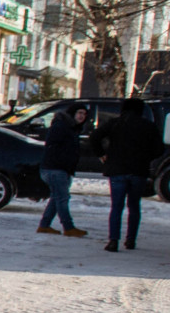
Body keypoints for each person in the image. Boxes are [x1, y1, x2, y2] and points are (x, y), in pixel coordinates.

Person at [87, 98, 158, 252]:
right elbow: (158, 149)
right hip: (138, 170)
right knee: (134, 206)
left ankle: (113, 240)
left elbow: (94, 137)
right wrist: (146, 158)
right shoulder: (148, 126)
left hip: (117, 169)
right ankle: (131, 239)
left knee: (116, 207)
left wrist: (102, 154)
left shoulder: (115, 123)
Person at [37, 104, 90, 236]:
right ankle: (68, 227)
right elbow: (52, 146)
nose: (82, 116)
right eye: (79, 113)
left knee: (56, 198)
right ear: (72, 113)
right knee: (62, 198)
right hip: (55, 169)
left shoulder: (71, 128)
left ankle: (44, 225)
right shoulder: (62, 126)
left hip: (59, 169)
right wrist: (63, 162)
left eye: (84, 114)